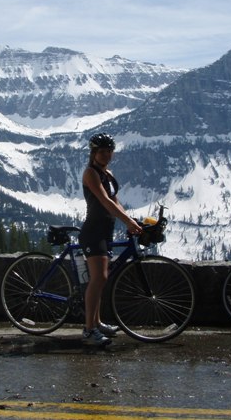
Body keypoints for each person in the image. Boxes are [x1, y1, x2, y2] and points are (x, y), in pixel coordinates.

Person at [79, 132, 142, 346]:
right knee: (98, 279)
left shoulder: (109, 174)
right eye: (101, 151)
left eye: (109, 151)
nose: (106, 155)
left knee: (101, 279)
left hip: (106, 230)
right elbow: (105, 202)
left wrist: (131, 220)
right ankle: (88, 330)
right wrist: (127, 222)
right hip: (93, 231)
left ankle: (96, 322)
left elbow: (116, 201)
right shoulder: (91, 173)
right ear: (94, 153)